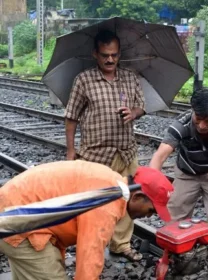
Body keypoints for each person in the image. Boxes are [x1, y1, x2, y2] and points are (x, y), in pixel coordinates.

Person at [0, 160, 173, 280]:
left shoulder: (111, 182)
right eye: (151, 210)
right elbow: (90, 256)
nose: (149, 216)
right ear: (137, 197)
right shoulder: (107, 203)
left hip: (17, 210)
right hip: (20, 223)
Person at [65, 30, 146, 261]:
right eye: (104, 55)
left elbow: (141, 106)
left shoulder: (130, 78)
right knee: (95, 204)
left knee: (129, 198)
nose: (110, 60)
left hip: (126, 151)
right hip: (96, 156)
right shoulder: (84, 80)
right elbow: (71, 117)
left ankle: (121, 244)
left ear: (119, 54)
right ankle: (91, 247)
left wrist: (134, 112)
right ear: (95, 54)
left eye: (114, 55)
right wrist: (71, 152)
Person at [149, 87, 208, 280]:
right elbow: (161, 154)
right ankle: (174, 265)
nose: (202, 125)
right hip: (186, 173)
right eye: (198, 118)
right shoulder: (181, 124)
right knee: (175, 218)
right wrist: (152, 181)